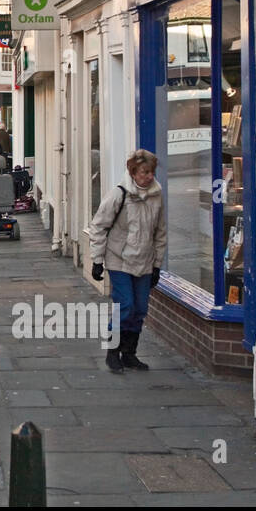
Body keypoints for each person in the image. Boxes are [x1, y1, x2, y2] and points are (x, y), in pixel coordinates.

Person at [89, 149, 168, 373]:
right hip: (119, 259)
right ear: (133, 172)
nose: (149, 176)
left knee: (140, 309)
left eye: (151, 172)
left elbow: (160, 233)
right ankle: (112, 353)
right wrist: (97, 260)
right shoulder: (119, 194)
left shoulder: (156, 195)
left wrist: (157, 266)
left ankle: (130, 354)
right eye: (144, 172)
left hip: (144, 261)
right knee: (125, 306)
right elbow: (99, 225)